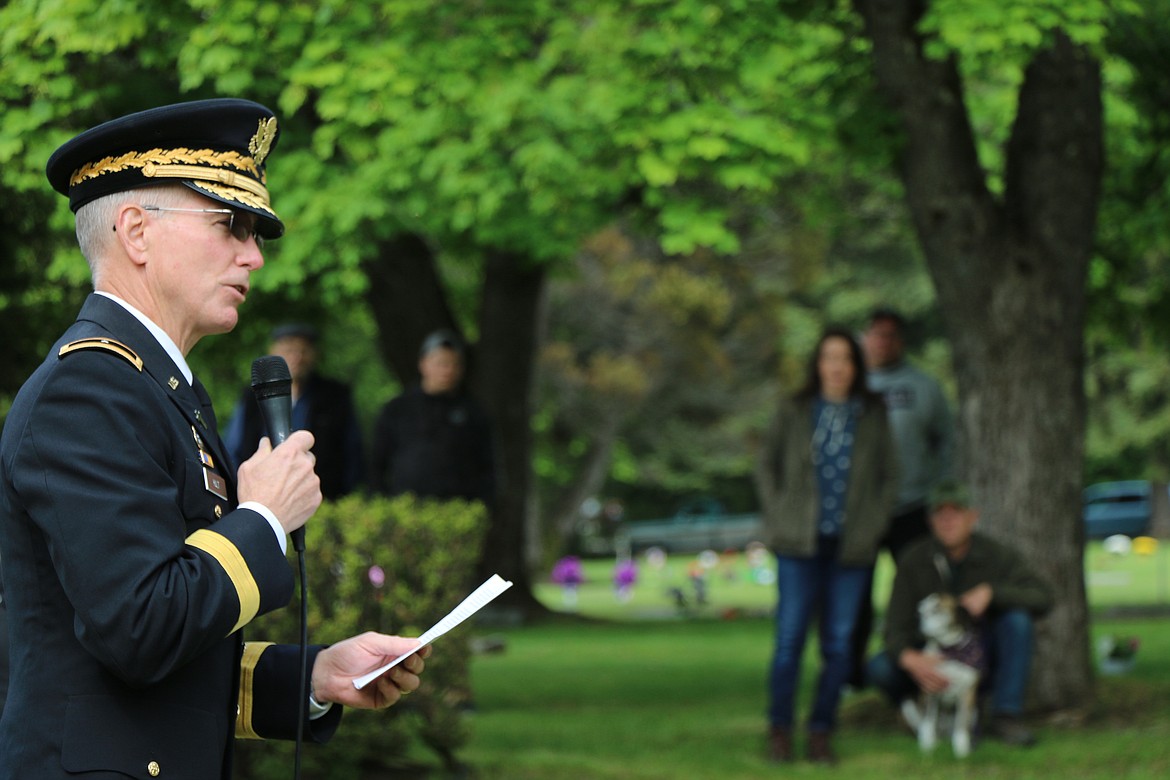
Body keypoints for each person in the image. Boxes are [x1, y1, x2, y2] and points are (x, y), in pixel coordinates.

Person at [0, 99, 429, 779]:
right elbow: (140, 630)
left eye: (256, 231)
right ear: (136, 232)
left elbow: (164, 650)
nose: (254, 256)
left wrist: (313, 677)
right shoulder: (89, 393)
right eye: (231, 224)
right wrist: (263, 519)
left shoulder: (150, 387)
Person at [760, 327, 899, 764]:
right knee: (789, 640)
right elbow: (767, 465)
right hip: (798, 544)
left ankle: (822, 727)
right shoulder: (795, 409)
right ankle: (779, 728)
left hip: (850, 547)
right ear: (817, 364)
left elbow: (889, 477)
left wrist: (873, 525)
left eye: (845, 359)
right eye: (828, 358)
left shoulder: (872, 413)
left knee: (839, 644)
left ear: (856, 366)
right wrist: (779, 512)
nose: (836, 367)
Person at [866, 480, 1054, 747]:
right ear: (930, 520)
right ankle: (915, 708)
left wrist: (993, 593)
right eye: (940, 515)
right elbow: (895, 625)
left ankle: (1006, 715)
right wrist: (910, 659)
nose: (948, 521)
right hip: (932, 654)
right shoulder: (914, 559)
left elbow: (1043, 597)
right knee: (880, 667)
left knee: (1017, 622)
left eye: (956, 513)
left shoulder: (994, 555)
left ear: (972, 517)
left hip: (977, 656)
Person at [850, 307, 956, 686]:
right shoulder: (848, 383)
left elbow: (947, 442)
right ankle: (850, 675)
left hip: (912, 506)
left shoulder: (924, 386)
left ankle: (922, 667)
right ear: (864, 338)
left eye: (891, 335)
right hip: (859, 511)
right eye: (876, 334)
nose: (883, 342)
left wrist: (941, 490)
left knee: (921, 592)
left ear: (902, 341)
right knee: (853, 596)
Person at [224, 322, 364, 499]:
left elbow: (352, 452)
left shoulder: (335, 396)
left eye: (304, 351)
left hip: (321, 498)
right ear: (273, 351)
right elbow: (233, 447)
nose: (297, 357)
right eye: (289, 350)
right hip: (261, 496)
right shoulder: (252, 397)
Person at [369, 329, 495, 504]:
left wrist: (485, 504)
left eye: (454, 364)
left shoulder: (473, 411)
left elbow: (488, 466)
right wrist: (381, 501)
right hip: (405, 509)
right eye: (441, 363)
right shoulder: (397, 409)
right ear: (423, 364)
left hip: (458, 511)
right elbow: (377, 463)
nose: (447, 370)